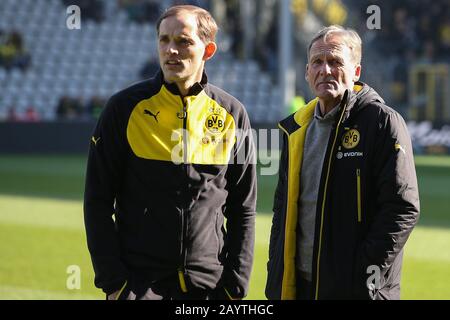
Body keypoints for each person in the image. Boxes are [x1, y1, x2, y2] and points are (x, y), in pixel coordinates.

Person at [84, 5, 256, 300]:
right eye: (164, 40)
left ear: (208, 50)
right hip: (139, 287)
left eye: (183, 41)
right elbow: (97, 201)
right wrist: (115, 283)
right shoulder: (123, 109)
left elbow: (243, 209)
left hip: (209, 289)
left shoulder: (232, 114)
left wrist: (233, 289)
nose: (171, 50)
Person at [265, 25, 420, 300]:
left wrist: (364, 272)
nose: (325, 70)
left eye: (335, 62)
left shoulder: (382, 122)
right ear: (307, 72)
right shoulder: (295, 129)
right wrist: (276, 266)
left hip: (355, 290)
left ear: (356, 71)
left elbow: (402, 208)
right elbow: (282, 207)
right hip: (299, 286)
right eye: (317, 62)